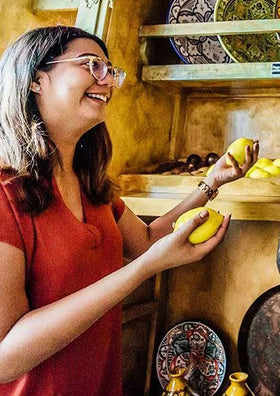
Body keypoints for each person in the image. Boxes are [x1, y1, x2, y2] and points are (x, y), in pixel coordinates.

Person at [0, 26, 259, 395]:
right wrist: (144, 270)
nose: (108, 81)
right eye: (91, 65)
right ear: (35, 80)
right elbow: (4, 358)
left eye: (110, 70)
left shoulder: (90, 185)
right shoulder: (5, 194)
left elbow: (147, 241)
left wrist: (212, 184)